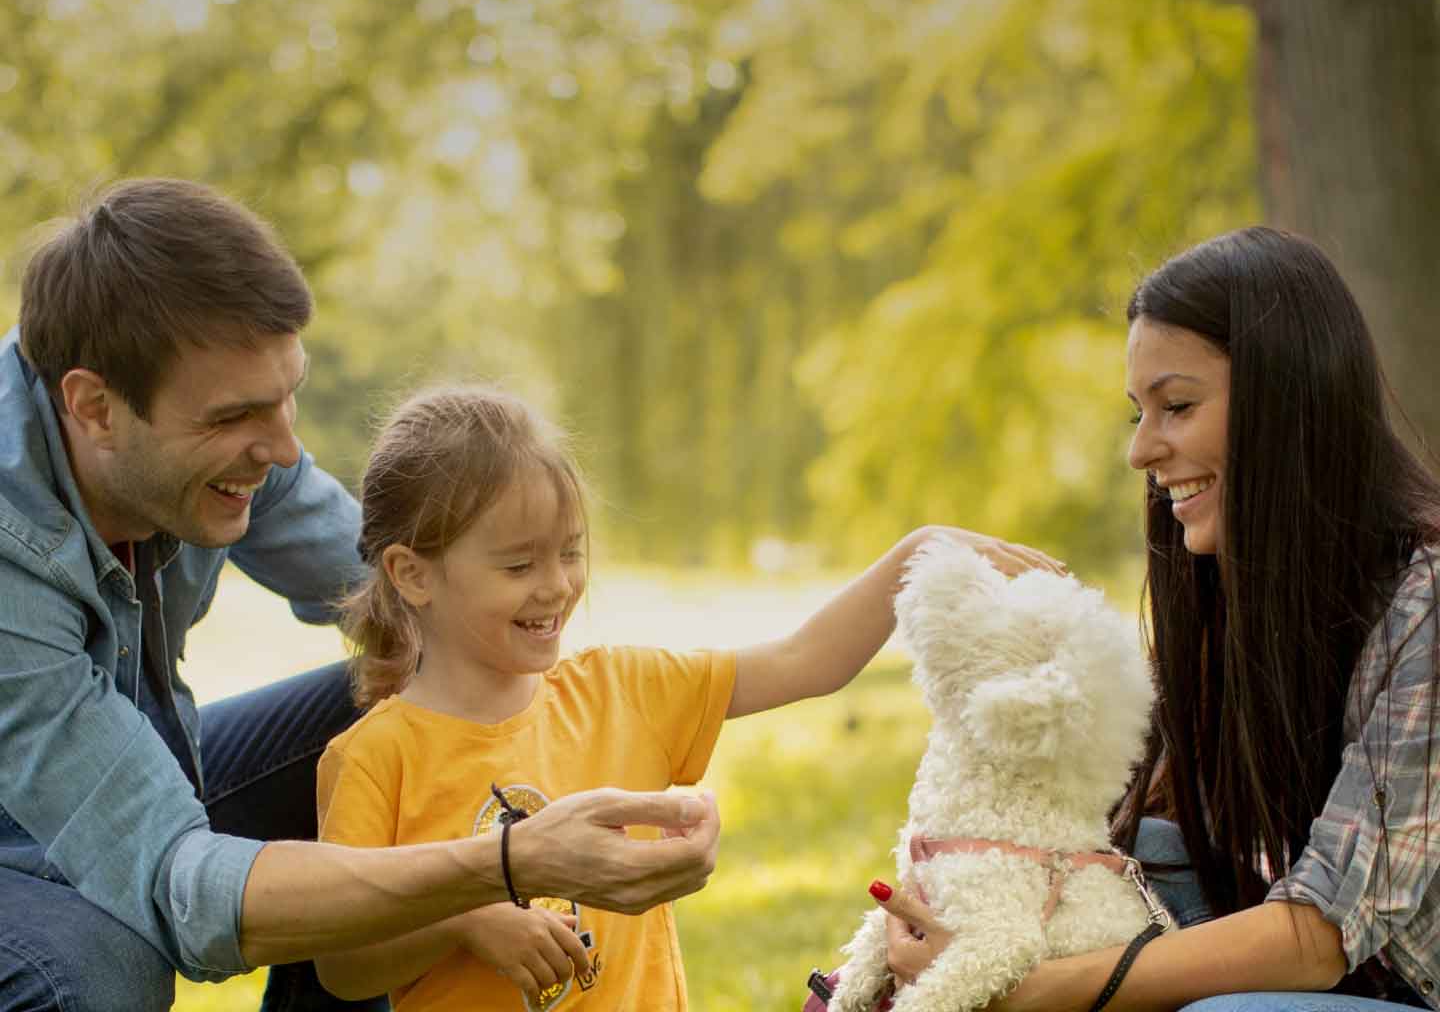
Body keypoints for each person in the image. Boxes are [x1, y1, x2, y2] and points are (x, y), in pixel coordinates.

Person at [0, 179, 724, 1012]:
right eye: (235, 417)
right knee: (93, 972)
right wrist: (503, 864)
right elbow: (178, 884)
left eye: (288, 396)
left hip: (131, 770)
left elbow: (410, 600)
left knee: (405, 717)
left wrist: (555, 711)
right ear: (95, 407)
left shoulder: (215, 432)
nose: (283, 449)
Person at [311, 383, 1063, 1010]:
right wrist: (464, 921)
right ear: (413, 575)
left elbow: (804, 661)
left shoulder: (620, 690)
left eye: (570, 553)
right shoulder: (374, 758)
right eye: (518, 566)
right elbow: (343, 964)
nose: (557, 586)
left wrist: (914, 556)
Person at [875, 225, 1440, 1011]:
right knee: (1138, 850)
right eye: (1137, 414)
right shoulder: (1234, 594)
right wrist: (962, 909)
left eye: (1176, 406)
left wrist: (1029, 991)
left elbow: (1321, 936)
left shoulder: (1426, 603)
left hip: (1395, 984)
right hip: (1336, 978)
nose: (1141, 451)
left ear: (1289, 401)